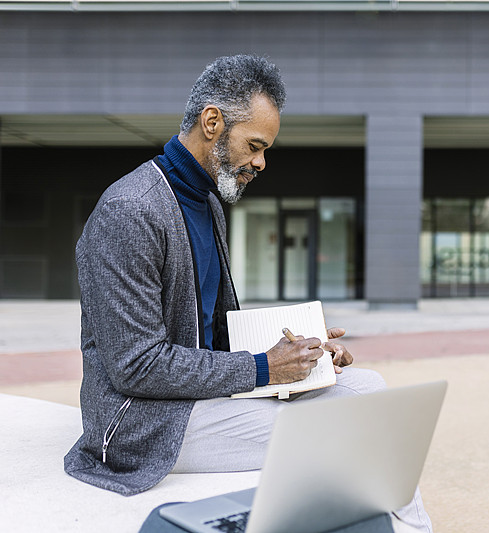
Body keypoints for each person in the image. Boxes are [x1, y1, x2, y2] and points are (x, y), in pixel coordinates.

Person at [64, 55, 432, 532]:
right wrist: (264, 367)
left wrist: (303, 350)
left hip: (199, 397)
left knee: (373, 393)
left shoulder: (207, 205)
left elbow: (216, 332)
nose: (261, 162)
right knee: (361, 431)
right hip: (143, 422)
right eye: (255, 145)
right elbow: (136, 366)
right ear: (212, 122)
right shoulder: (129, 212)